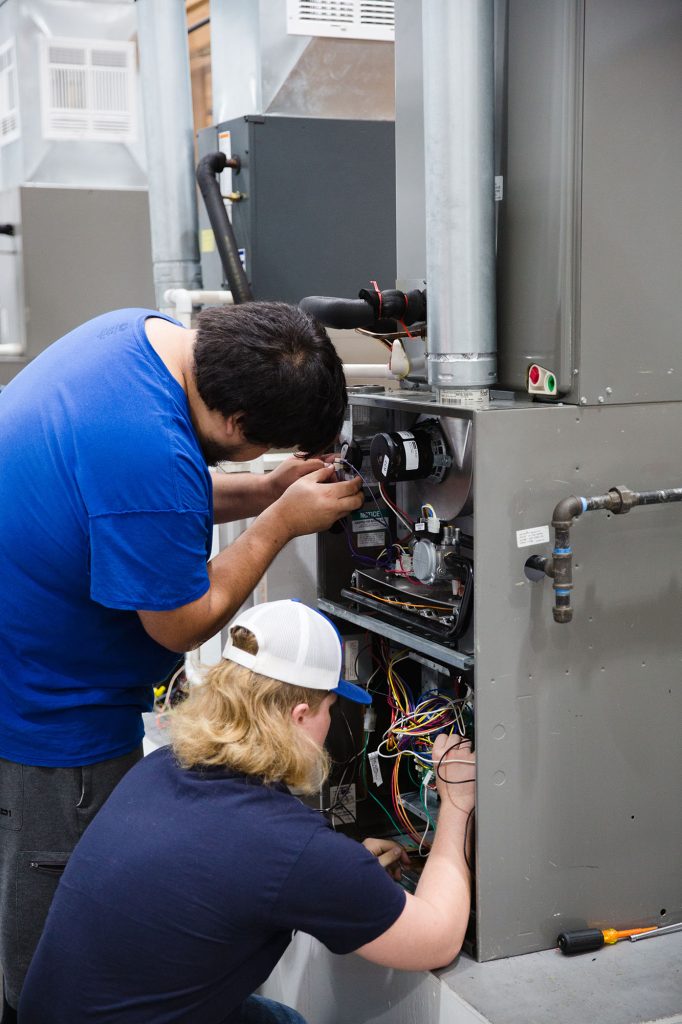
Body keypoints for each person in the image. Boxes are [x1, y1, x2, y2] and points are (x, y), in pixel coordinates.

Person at [0, 302, 363, 1016]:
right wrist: (278, 524)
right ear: (234, 424)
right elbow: (180, 623)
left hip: (18, 658)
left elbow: (157, 497)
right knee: (53, 937)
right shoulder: (146, 445)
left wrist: (263, 487)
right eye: (258, 451)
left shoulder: (137, 339)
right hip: (54, 721)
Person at [18, 599, 476, 1024]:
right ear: (298, 717)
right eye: (330, 708)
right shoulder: (286, 848)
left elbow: (237, 866)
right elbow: (439, 937)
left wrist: (341, 867)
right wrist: (455, 800)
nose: (329, 723)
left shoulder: (165, 766)